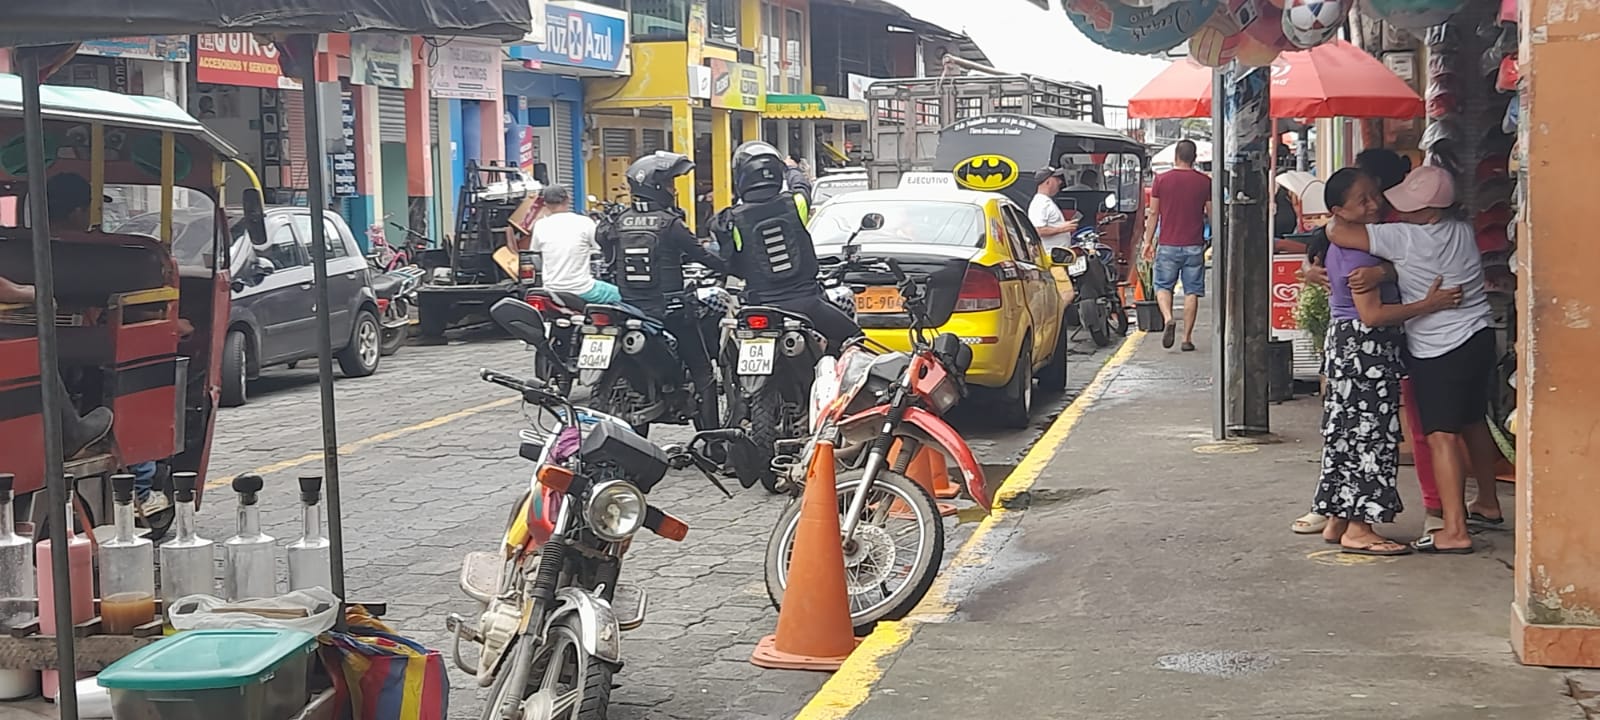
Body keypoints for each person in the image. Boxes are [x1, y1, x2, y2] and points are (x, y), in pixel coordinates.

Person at [1325, 165, 1499, 555]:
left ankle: (1454, 529)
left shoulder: (1403, 237)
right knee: (1474, 421)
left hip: (1440, 348)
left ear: (1430, 210)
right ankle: (1488, 501)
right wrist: (1386, 270)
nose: (1389, 207)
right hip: (1479, 334)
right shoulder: (1462, 229)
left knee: (1441, 436)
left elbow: (1336, 230)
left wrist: (1379, 268)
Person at [599, 151, 726, 428]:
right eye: (669, 184)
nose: (673, 190)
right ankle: (713, 440)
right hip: (668, 311)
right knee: (703, 371)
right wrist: (733, 267)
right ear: (656, 187)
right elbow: (703, 256)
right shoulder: (670, 224)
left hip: (629, 309)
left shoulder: (617, 221)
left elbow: (606, 254)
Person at [0, 173, 114, 458]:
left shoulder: (16, 244)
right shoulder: (91, 254)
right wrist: (28, 293)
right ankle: (70, 433)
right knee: (32, 353)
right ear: (77, 212)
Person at [710, 141, 861, 350]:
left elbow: (729, 263)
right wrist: (792, 169)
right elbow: (802, 186)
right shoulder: (796, 204)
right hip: (807, 303)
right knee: (855, 339)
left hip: (759, 306)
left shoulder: (731, 220)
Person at [1145, 139, 1211, 351]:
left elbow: (1153, 212)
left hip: (1168, 244)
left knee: (1163, 286)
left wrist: (1148, 241)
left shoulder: (1161, 180)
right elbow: (1212, 213)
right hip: (1194, 244)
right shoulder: (1204, 182)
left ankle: (1168, 318)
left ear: (1176, 156)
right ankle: (1187, 339)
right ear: (1194, 158)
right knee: (1192, 291)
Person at [528, 184, 620, 305]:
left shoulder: (540, 225)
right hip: (582, 289)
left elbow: (535, 252)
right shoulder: (584, 222)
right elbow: (600, 247)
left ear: (545, 204)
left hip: (551, 290)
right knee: (624, 296)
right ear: (568, 199)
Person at [1028, 167, 1077, 245]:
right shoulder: (1040, 203)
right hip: (1050, 251)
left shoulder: (1045, 201)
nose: (1060, 182)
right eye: (1057, 179)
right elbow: (1037, 230)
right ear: (1048, 182)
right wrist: (1062, 229)